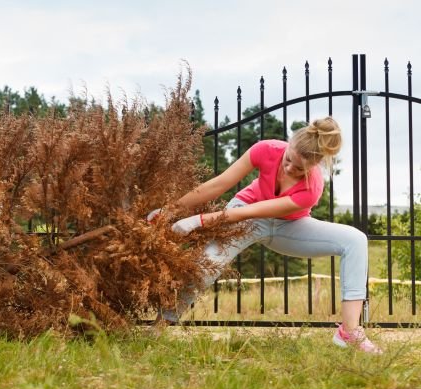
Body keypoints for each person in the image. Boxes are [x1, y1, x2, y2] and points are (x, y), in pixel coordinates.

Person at [148, 116, 382, 354]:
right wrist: (171, 211)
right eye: (288, 159)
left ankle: (349, 331)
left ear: (315, 165)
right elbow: (219, 184)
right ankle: (158, 327)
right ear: (288, 144)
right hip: (245, 213)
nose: (290, 168)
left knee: (355, 239)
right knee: (205, 265)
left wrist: (197, 221)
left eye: (299, 168)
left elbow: (254, 212)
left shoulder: (312, 189)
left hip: (288, 226)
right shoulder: (266, 149)